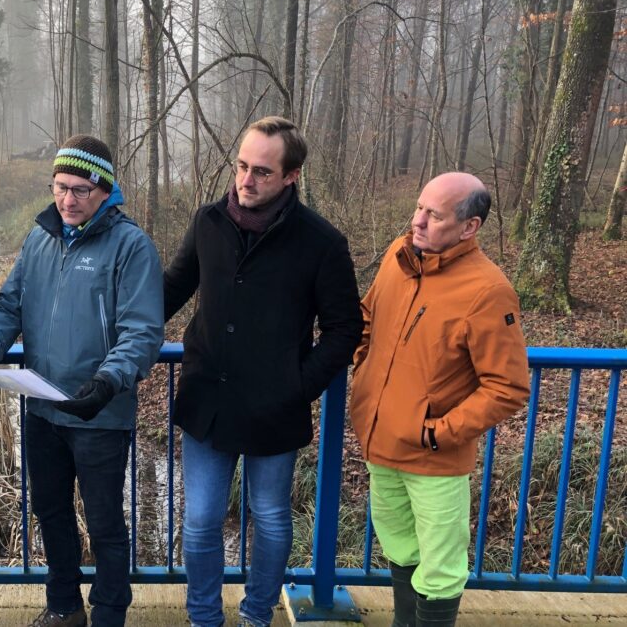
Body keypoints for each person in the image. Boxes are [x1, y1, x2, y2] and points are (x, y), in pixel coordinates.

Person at [163, 117, 363, 627]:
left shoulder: (321, 242)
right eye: (241, 166)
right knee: (203, 519)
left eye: (262, 172)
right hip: (208, 400)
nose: (245, 181)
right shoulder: (208, 221)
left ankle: (257, 616)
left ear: (291, 175)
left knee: (271, 519)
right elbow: (169, 291)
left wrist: (296, 387)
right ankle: (203, 618)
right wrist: (116, 329)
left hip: (275, 408)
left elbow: (344, 331)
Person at [0, 134, 163, 627]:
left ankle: (110, 613)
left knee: (106, 524)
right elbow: (10, 305)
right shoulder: (39, 239)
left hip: (99, 411)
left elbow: (142, 329)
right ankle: (64, 606)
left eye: (80, 190)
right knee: (51, 513)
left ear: (105, 190)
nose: (67, 200)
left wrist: (108, 381)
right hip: (41, 407)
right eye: (59, 187)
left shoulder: (130, 246)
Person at [351, 172, 529, 627]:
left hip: (434, 457)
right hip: (380, 442)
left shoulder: (487, 290)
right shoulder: (399, 256)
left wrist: (438, 433)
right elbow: (368, 316)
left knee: (442, 568)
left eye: (434, 214)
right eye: (419, 208)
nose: (419, 221)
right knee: (399, 547)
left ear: (469, 227)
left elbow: (507, 387)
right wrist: (362, 367)